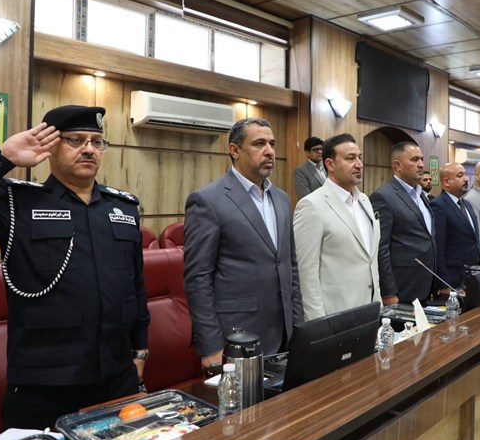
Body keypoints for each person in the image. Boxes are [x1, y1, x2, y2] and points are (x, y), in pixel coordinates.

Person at [0, 105, 150, 430]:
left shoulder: (123, 208)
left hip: (116, 378)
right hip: (45, 386)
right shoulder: (17, 203)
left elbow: (135, 286)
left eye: (96, 141)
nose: (89, 149)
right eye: (76, 140)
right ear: (51, 146)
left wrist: (140, 352)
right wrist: (3, 156)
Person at [184, 117, 303, 371]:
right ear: (234, 150)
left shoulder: (282, 199)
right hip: (237, 338)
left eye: (272, 144)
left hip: (285, 335)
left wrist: (298, 327)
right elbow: (197, 278)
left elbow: (290, 266)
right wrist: (211, 346)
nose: (269, 151)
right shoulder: (208, 200)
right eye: (259, 144)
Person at [293, 134, 380, 320]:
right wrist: (318, 323)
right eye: (350, 158)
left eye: (360, 157)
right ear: (330, 164)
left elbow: (370, 260)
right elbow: (306, 273)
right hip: (334, 313)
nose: (359, 164)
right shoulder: (312, 205)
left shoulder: (364, 201)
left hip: (370, 308)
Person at [370, 142, 435, 305]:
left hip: (427, 285)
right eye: (414, 159)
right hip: (402, 287)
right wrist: (388, 292)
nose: (421, 164)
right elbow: (381, 248)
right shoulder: (383, 196)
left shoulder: (421, 194)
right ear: (397, 165)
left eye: (421, 159)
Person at [430, 162, 480, 292]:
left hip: (471, 274)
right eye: (460, 175)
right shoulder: (438, 205)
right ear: (446, 182)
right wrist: (443, 283)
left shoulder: (466, 204)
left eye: (466, 175)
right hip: (453, 279)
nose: (466, 179)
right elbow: (438, 248)